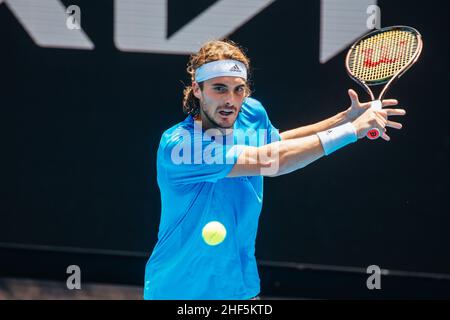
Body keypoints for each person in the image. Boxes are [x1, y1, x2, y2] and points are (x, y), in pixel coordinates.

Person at [143, 39, 405, 300]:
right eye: (219, 89)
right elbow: (271, 160)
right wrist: (351, 131)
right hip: (179, 290)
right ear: (197, 89)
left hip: (240, 287)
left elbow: (278, 144)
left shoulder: (251, 113)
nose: (231, 101)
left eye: (238, 89)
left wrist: (345, 119)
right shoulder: (180, 147)